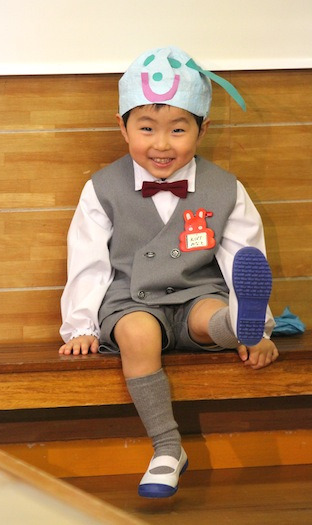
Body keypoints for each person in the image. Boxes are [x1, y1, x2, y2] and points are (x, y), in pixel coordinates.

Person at [59, 46, 279, 499]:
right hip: (131, 303)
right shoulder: (101, 187)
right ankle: (166, 447)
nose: (162, 145)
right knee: (138, 335)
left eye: (178, 130)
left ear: (202, 129)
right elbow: (88, 259)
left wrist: (261, 326)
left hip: (197, 293)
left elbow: (244, 255)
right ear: (122, 128)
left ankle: (244, 323)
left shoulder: (224, 187)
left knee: (211, 315)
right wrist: (80, 325)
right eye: (146, 129)